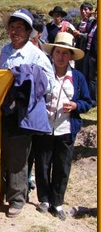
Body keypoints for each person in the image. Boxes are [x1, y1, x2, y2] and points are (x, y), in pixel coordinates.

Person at [0, 8, 55, 218]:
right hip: (3, 110)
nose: (14, 31)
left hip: (22, 112)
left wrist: (29, 84)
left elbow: (49, 84)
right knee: (2, 154)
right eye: (12, 27)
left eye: (19, 28)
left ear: (28, 31)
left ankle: (17, 199)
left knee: (18, 157)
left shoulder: (36, 55)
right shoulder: (4, 51)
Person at [34, 32, 92, 220]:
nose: (60, 57)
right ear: (52, 53)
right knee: (42, 164)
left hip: (66, 129)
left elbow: (87, 101)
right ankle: (44, 199)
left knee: (62, 166)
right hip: (44, 127)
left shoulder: (78, 77)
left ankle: (57, 202)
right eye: (58, 52)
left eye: (65, 53)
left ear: (70, 56)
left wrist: (76, 106)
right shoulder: (43, 73)